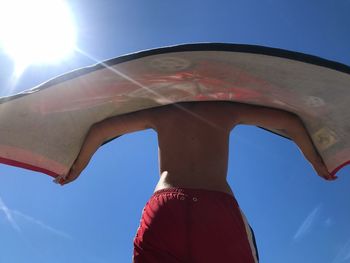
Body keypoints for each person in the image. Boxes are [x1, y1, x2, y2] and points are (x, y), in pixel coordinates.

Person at [55, 101, 337, 262]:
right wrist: (316, 161)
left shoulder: (161, 111)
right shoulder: (226, 110)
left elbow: (101, 128)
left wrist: (76, 168)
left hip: (164, 207)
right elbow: (289, 121)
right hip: (216, 207)